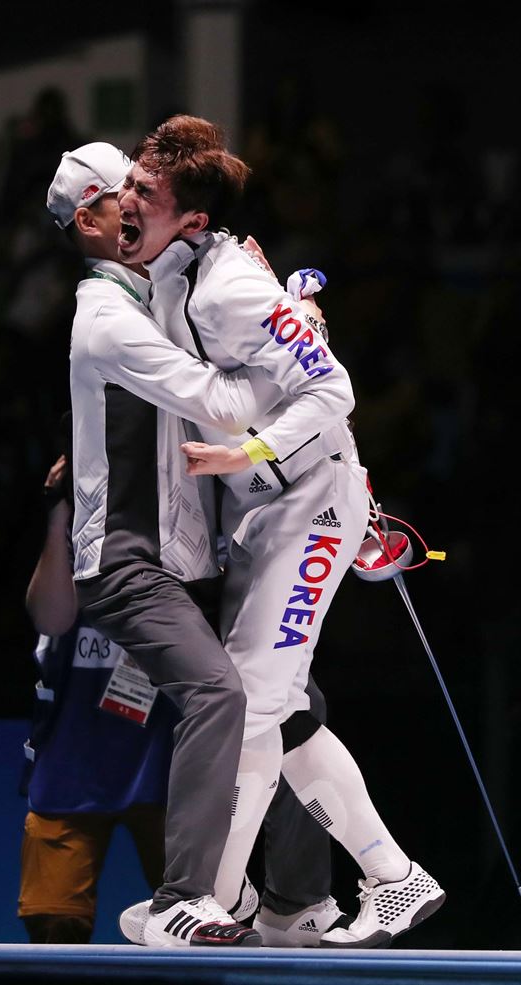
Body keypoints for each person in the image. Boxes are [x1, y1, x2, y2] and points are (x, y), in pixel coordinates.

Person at [115, 115, 445, 948]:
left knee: (254, 703)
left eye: (144, 194)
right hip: (265, 512)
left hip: (314, 505)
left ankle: (205, 900)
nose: (128, 201)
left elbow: (331, 389)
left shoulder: (225, 285)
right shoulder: (172, 271)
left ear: (190, 218)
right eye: (131, 182)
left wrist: (248, 448)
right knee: (282, 706)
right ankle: (394, 877)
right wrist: (295, 307)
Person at [46, 141, 282, 948]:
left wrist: (259, 292)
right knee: (219, 693)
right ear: (91, 218)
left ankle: (298, 898)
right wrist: (290, 347)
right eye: (126, 195)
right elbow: (220, 399)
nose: (141, 206)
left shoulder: (145, 295)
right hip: (123, 562)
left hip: (173, 560)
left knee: (292, 702)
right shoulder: (108, 317)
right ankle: (184, 895)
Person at [17, 418, 178, 944]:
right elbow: (51, 619)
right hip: (73, 761)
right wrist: (60, 512)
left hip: (169, 764)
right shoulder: (71, 525)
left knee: (196, 925)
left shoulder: (185, 511)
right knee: (54, 925)